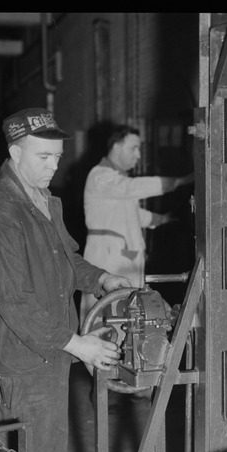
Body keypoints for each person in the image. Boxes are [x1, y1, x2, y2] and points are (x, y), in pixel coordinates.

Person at [0, 107, 131, 452]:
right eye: (44, 156)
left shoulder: (41, 199)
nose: (53, 166)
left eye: (57, 156)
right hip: (18, 361)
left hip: (46, 353)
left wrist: (103, 279)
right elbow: (15, 302)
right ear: (15, 152)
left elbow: (66, 258)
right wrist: (78, 344)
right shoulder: (0, 212)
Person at [81, 125, 194, 319]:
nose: (138, 155)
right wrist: (178, 182)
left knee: (125, 315)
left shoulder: (115, 180)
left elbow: (132, 214)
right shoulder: (100, 176)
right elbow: (132, 188)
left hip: (121, 256)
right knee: (105, 318)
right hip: (108, 257)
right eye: (133, 148)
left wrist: (162, 219)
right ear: (116, 146)